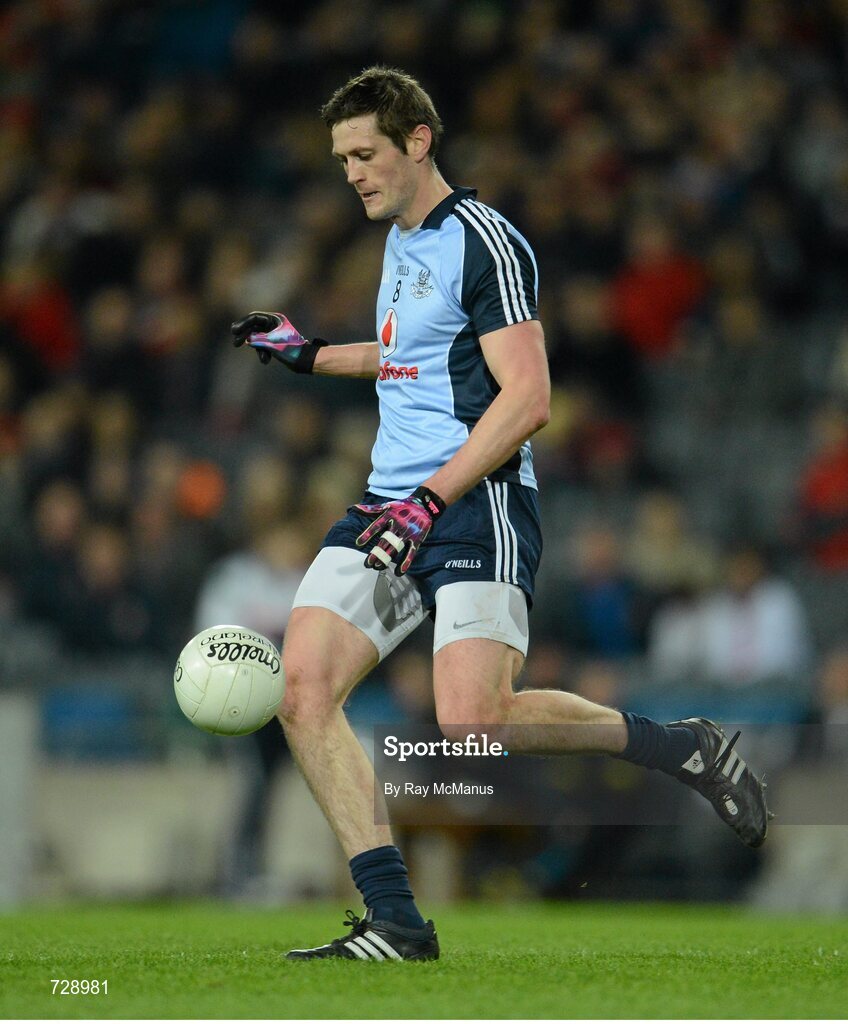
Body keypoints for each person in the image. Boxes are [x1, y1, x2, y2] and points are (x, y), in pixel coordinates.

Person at [230, 67, 770, 962]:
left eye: (363, 154)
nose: (351, 174)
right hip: (388, 502)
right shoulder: (401, 241)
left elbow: (528, 397)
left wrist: (431, 498)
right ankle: (395, 920)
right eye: (341, 159)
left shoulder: (487, 240)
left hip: (475, 502)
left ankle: (678, 746)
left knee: (473, 722)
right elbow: (413, 356)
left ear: (418, 141)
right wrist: (311, 354)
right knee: (304, 689)